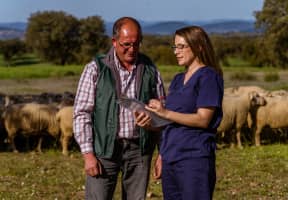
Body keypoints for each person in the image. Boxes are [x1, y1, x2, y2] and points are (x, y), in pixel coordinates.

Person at [73, 16, 165, 200]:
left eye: (136, 44)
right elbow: (82, 113)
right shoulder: (95, 69)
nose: (132, 49)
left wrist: (162, 154)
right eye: (126, 44)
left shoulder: (150, 69)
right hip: (104, 149)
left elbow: (163, 114)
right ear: (114, 41)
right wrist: (88, 154)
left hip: (139, 149)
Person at [145, 26, 224, 200]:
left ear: (199, 47)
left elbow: (203, 119)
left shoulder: (208, 77)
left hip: (194, 159)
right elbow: (171, 123)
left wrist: (165, 112)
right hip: (171, 158)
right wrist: (161, 154)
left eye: (182, 47)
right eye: (175, 47)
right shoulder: (177, 80)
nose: (176, 52)